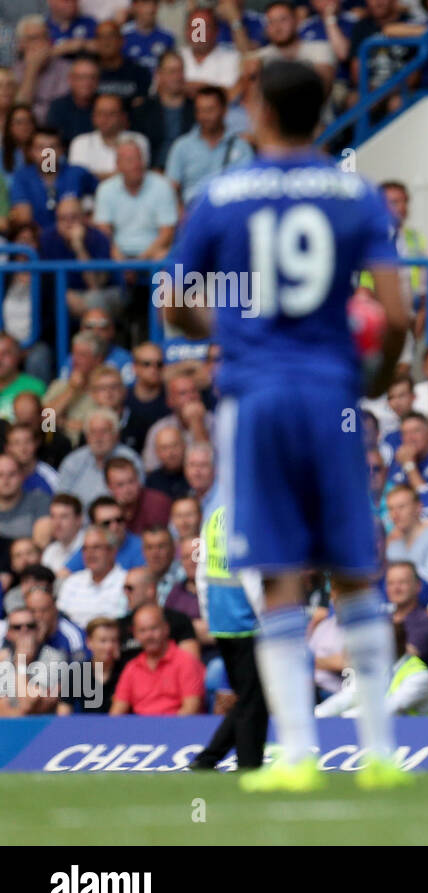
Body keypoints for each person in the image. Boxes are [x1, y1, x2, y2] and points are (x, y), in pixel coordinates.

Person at [164, 61, 411, 792]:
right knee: (354, 571)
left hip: (255, 396)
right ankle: (380, 754)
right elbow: (396, 313)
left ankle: (298, 757)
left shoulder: (220, 194)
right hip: (333, 391)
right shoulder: (356, 192)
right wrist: (377, 374)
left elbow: (173, 301)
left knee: (277, 572)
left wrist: (238, 326)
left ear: (261, 110)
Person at [189, 500, 267, 771]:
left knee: (250, 694)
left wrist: (208, 612)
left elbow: (202, 568)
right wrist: (268, 618)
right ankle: (248, 765)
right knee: (253, 697)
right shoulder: (250, 512)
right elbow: (251, 574)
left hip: (222, 615)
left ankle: (209, 758)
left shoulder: (215, 514)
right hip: (246, 616)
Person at [108, 605, 206, 715]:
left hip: (178, 728)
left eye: (153, 628)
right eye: (142, 631)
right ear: (135, 634)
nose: (149, 635)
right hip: (139, 730)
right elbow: (116, 714)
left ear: (166, 628)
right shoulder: (132, 667)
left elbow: (191, 710)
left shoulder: (186, 662)